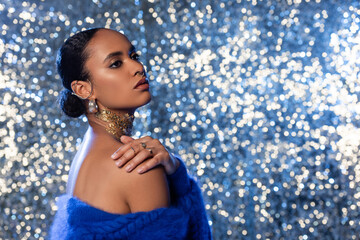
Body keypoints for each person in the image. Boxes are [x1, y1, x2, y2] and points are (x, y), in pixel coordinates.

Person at [49, 27, 212, 240]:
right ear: (83, 89)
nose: (138, 67)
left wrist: (175, 169)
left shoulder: (88, 151)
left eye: (134, 56)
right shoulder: (137, 166)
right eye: (116, 63)